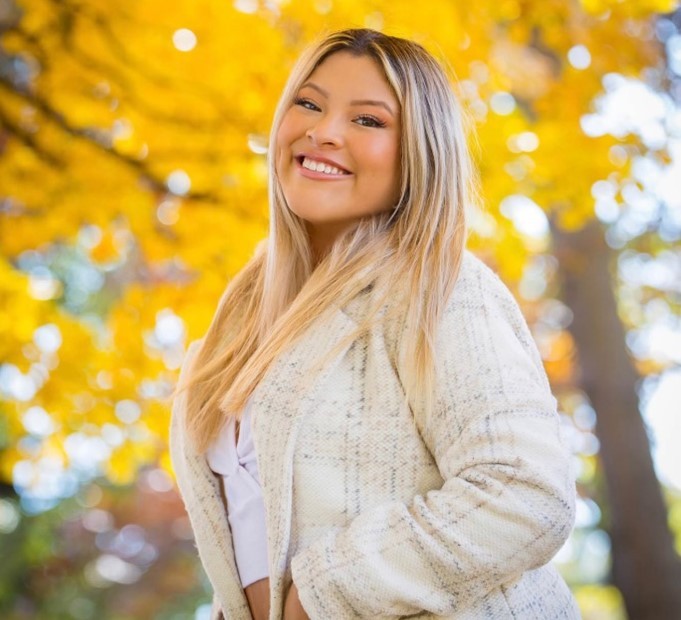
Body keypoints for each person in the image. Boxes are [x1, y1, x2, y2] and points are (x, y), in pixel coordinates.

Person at [170, 28, 580, 620]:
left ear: (419, 151)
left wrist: (323, 594)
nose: (324, 131)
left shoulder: (436, 286)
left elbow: (525, 494)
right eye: (308, 103)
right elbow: (254, 538)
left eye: (368, 120)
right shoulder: (238, 322)